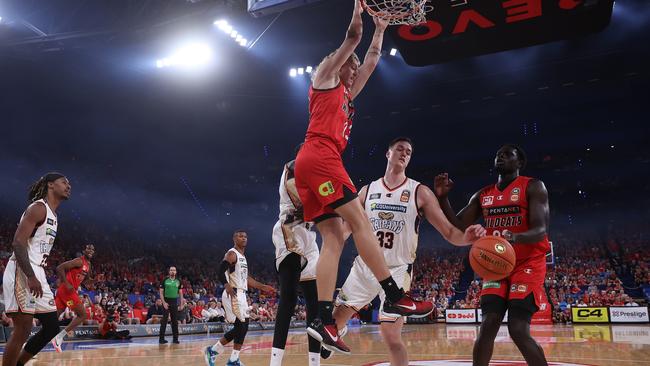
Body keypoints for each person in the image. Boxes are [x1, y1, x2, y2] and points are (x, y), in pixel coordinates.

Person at [293, 0, 432, 354]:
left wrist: (382, 29)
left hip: (313, 163)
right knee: (361, 221)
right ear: (337, 64)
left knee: (334, 238)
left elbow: (370, 59)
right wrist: (359, 7)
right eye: (349, 66)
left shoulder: (346, 97)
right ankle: (394, 293)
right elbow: (354, 38)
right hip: (320, 155)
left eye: (354, 69)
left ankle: (323, 318)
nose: (354, 71)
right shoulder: (324, 78)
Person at [329, 137, 485, 365]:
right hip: (364, 268)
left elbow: (450, 232)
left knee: (391, 337)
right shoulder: (366, 190)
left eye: (409, 152)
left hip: (397, 271)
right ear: (387, 153)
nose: (404, 154)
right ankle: (337, 332)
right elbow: (345, 230)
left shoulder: (419, 192)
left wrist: (466, 238)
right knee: (334, 323)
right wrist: (327, 245)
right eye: (399, 149)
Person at [434, 144, 550, 366]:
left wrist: (513, 238)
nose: (501, 157)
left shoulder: (533, 186)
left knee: (517, 329)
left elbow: (541, 229)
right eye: (498, 154)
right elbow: (458, 224)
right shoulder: (483, 195)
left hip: (527, 263)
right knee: (487, 327)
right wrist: (442, 198)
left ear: (519, 163)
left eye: (508, 154)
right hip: (496, 265)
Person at [2, 172, 71, 366]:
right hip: (22, 270)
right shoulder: (38, 208)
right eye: (64, 182)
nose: (68, 186)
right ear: (50, 185)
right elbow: (17, 243)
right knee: (23, 328)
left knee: (51, 327)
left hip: (37, 271)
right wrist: (30, 276)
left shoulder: (53, 215)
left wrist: (36, 275)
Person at [270, 156, 321, 366]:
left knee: (314, 302)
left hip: (309, 237)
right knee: (289, 299)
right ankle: (274, 363)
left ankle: (315, 362)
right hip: (289, 230)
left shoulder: (316, 173)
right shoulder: (292, 166)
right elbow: (309, 206)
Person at [204, 230, 275, 366]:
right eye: (240, 236)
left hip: (241, 293)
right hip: (233, 293)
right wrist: (226, 285)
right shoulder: (232, 254)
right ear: (234, 239)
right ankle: (222, 355)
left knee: (242, 327)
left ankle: (225, 356)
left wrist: (263, 287)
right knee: (241, 326)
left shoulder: (242, 257)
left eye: (245, 236)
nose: (244, 238)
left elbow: (246, 278)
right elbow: (220, 270)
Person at [51, 243, 96, 352]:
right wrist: (66, 283)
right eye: (88, 248)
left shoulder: (88, 264)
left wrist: (92, 282)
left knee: (51, 320)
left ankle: (29, 344)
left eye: (92, 249)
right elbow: (60, 268)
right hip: (68, 291)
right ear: (84, 250)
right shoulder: (79, 261)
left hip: (64, 292)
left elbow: (84, 280)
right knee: (83, 315)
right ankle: (59, 337)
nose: (90, 250)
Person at [159, 266, 185, 344]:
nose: (172, 271)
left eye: (174, 270)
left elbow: (180, 294)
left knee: (174, 321)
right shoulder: (165, 280)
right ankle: (161, 339)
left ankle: (175, 339)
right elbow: (161, 292)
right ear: (169, 272)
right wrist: (163, 303)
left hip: (174, 301)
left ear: (176, 272)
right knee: (164, 320)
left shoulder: (178, 281)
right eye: (171, 270)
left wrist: (181, 304)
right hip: (166, 301)